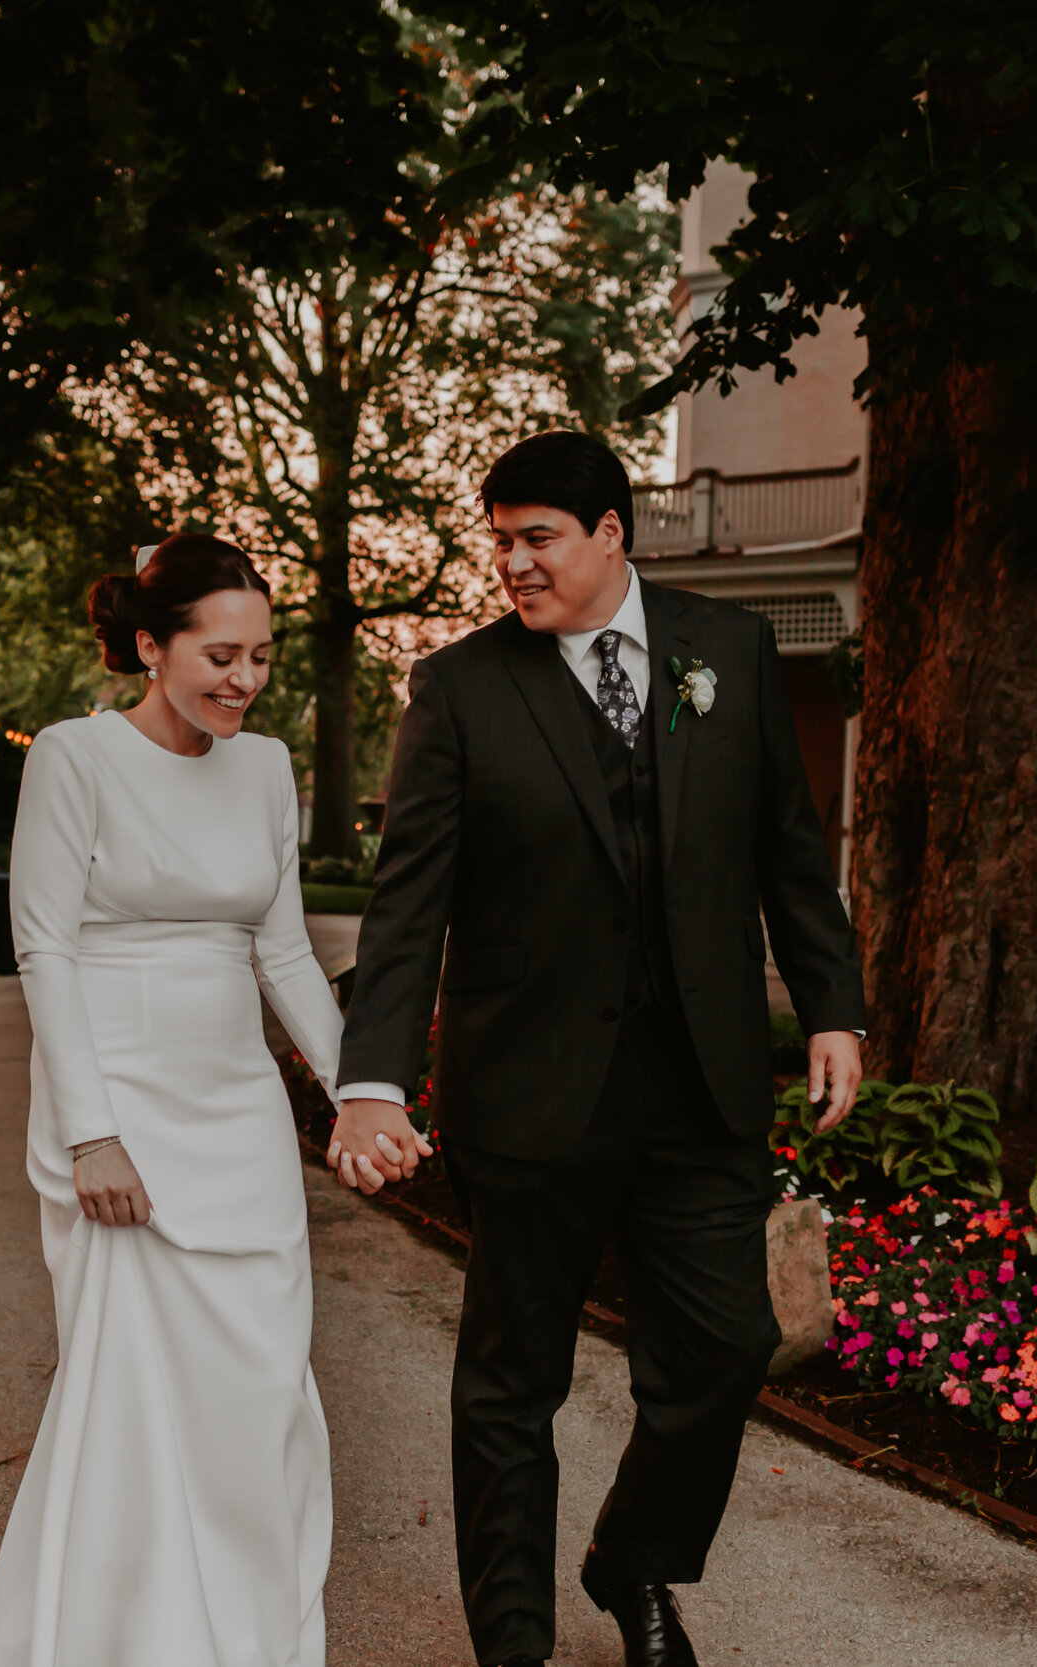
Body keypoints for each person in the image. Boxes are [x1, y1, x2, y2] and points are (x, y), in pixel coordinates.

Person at [332, 432, 865, 1667]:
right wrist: (371, 1080)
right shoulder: (458, 687)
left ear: (612, 533)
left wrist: (832, 1002)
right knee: (512, 1384)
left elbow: (788, 843)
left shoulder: (724, 651)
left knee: (728, 1344)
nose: (512, 563)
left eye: (538, 538)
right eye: (501, 540)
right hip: (527, 1090)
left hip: (702, 1084)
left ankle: (632, 1562)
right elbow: (410, 900)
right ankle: (511, 1640)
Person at [0, 534, 370, 1667]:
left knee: (258, 1384)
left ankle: (246, 1635)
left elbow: (283, 953)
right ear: (150, 646)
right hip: (118, 1116)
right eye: (220, 653)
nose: (243, 679)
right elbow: (43, 946)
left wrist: (359, 1095)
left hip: (236, 1116)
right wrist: (89, 1131)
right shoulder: (73, 756)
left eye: (260, 656)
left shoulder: (261, 765)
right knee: (134, 1396)